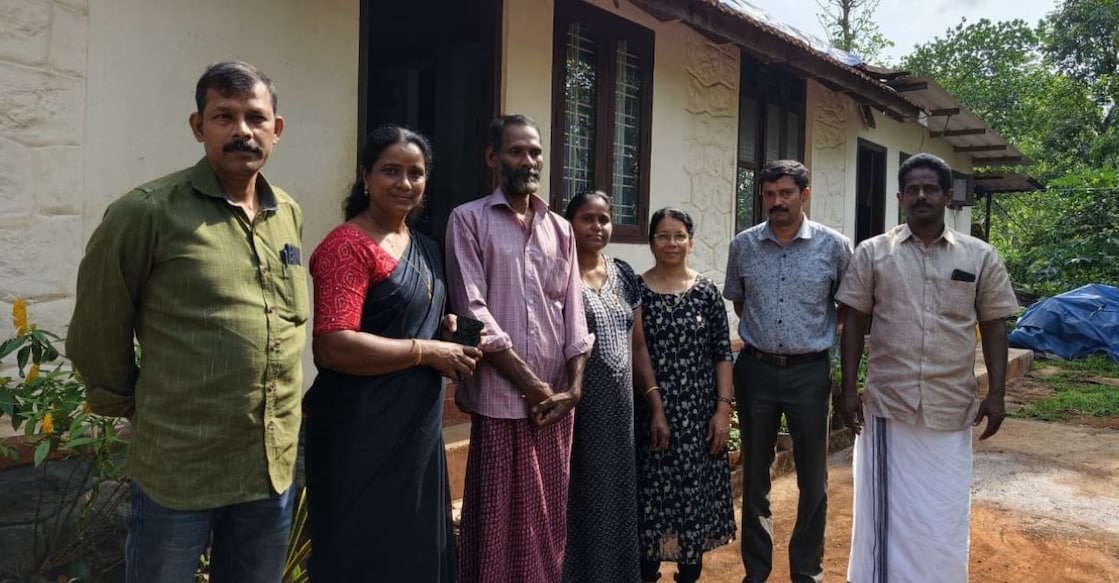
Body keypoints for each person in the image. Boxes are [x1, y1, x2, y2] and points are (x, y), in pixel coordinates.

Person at [66, 61, 305, 583]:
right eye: (224, 116)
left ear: (276, 130)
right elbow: (97, 328)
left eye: (255, 117)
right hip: (179, 467)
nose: (242, 130)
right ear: (199, 127)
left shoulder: (287, 213)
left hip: (269, 466)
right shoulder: (147, 212)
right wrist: (137, 402)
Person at [302, 125, 482, 582]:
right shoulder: (348, 246)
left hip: (416, 431)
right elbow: (332, 344)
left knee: (415, 550)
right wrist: (425, 349)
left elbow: (429, 319)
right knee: (367, 553)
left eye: (415, 173)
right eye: (391, 171)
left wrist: (453, 331)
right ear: (365, 176)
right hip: (359, 432)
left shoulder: (425, 247)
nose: (405, 182)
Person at [836, 153, 1018, 583]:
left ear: (947, 196)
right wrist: (847, 388)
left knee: (942, 512)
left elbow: (994, 325)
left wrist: (996, 392)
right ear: (900, 197)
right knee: (884, 511)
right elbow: (854, 322)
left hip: (950, 406)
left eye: (929, 188)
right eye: (912, 189)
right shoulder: (873, 253)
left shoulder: (980, 256)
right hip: (888, 404)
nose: (920, 196)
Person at [446, 114, 594, 583]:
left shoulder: (561, 230)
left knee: (547, 524)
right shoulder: (466, 220)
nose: (528, 161)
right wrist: (533, 386)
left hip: (554, 407)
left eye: (534, 152)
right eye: (516, 151)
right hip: (499, 402)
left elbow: (574, 315)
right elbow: (469, 317)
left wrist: (572, 390)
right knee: (495, 525)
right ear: (493, 158)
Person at [722, 160, 852, 583]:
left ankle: (806, 573)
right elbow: (741, 304)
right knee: (755, 476)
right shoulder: (743, 245)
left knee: (813, 480)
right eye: (769, 194)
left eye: (786, 193)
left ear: (805, 195)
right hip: (756, 371)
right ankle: (756, 572)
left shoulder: (835, 247)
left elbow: (846, 310)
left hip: (809, 374)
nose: (776, 202)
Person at [561, 191, 667, 582]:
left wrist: (654, 404)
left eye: (604, 219)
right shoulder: (559, 272)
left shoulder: (623, 273)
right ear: (568, 224)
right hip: (576, 409)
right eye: (587, 218)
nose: (597, 227)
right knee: (577, 495)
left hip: (621, 413)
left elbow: (637, 345)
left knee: (616, 494)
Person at [637, 207, 737, 583]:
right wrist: (654, 405)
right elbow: (636, 349)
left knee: (692, 497)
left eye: (679, 235)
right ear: (651, 242)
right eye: (663, 235)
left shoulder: (707, 292)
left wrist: (722, 411)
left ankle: (689, 572)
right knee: (650, 497)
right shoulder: (637, 289)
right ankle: (647, 571)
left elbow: (721, 352)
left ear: (691, 242)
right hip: (650, 413)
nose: (671, 243)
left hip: (698, 415)